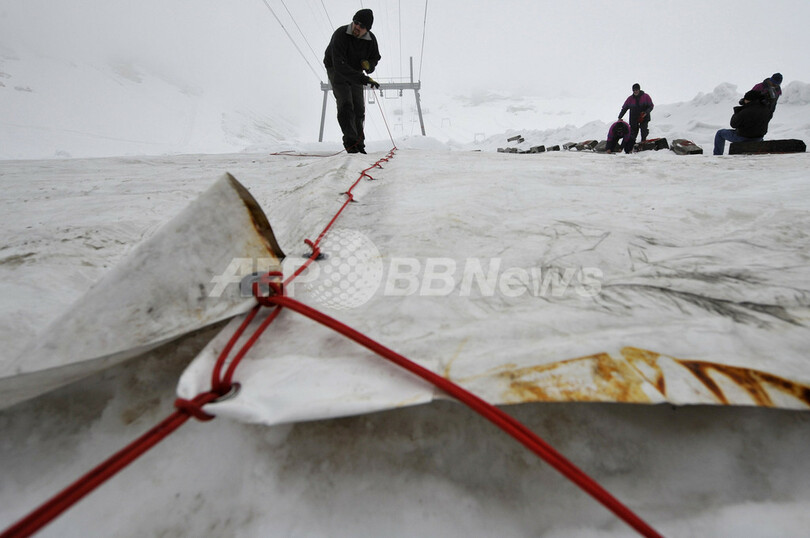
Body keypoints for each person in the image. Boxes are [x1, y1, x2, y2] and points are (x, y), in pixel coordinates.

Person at [323, 9, 381, 154]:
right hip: (336, 68)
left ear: (367, 29)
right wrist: (363, 79)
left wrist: (369, 65)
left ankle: (359, 144)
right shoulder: (340, 34)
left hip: (355, 71)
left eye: (362, 26)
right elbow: (339, 66)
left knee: (359, 107)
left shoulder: (371, 40)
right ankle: (350, 144)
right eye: (356, 22)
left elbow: (375, 57)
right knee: (346, 104)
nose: (357, 27)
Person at [713, 90, 772, 155]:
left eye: (746, 99)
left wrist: (737, 111)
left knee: (720, 133)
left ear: (749, 100)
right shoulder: (766, 109)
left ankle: (717, 155)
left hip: (743, 138)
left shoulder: (745, 111)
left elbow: (733, 124)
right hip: (758, 138)